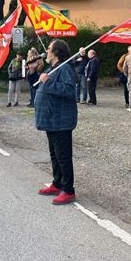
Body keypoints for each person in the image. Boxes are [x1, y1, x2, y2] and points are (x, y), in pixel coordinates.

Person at [35, 39, 78, 205]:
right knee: (54, 154)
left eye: (49, 48)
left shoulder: (65, 68)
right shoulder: (52, 68)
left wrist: (48, 81)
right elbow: (41, 88)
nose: (47, 50)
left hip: (61, 121)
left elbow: (68, 90)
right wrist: (34, 73)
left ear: (56, 52)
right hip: (51, 120)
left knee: (63, 156)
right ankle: (57, 182)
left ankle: (68, 190)